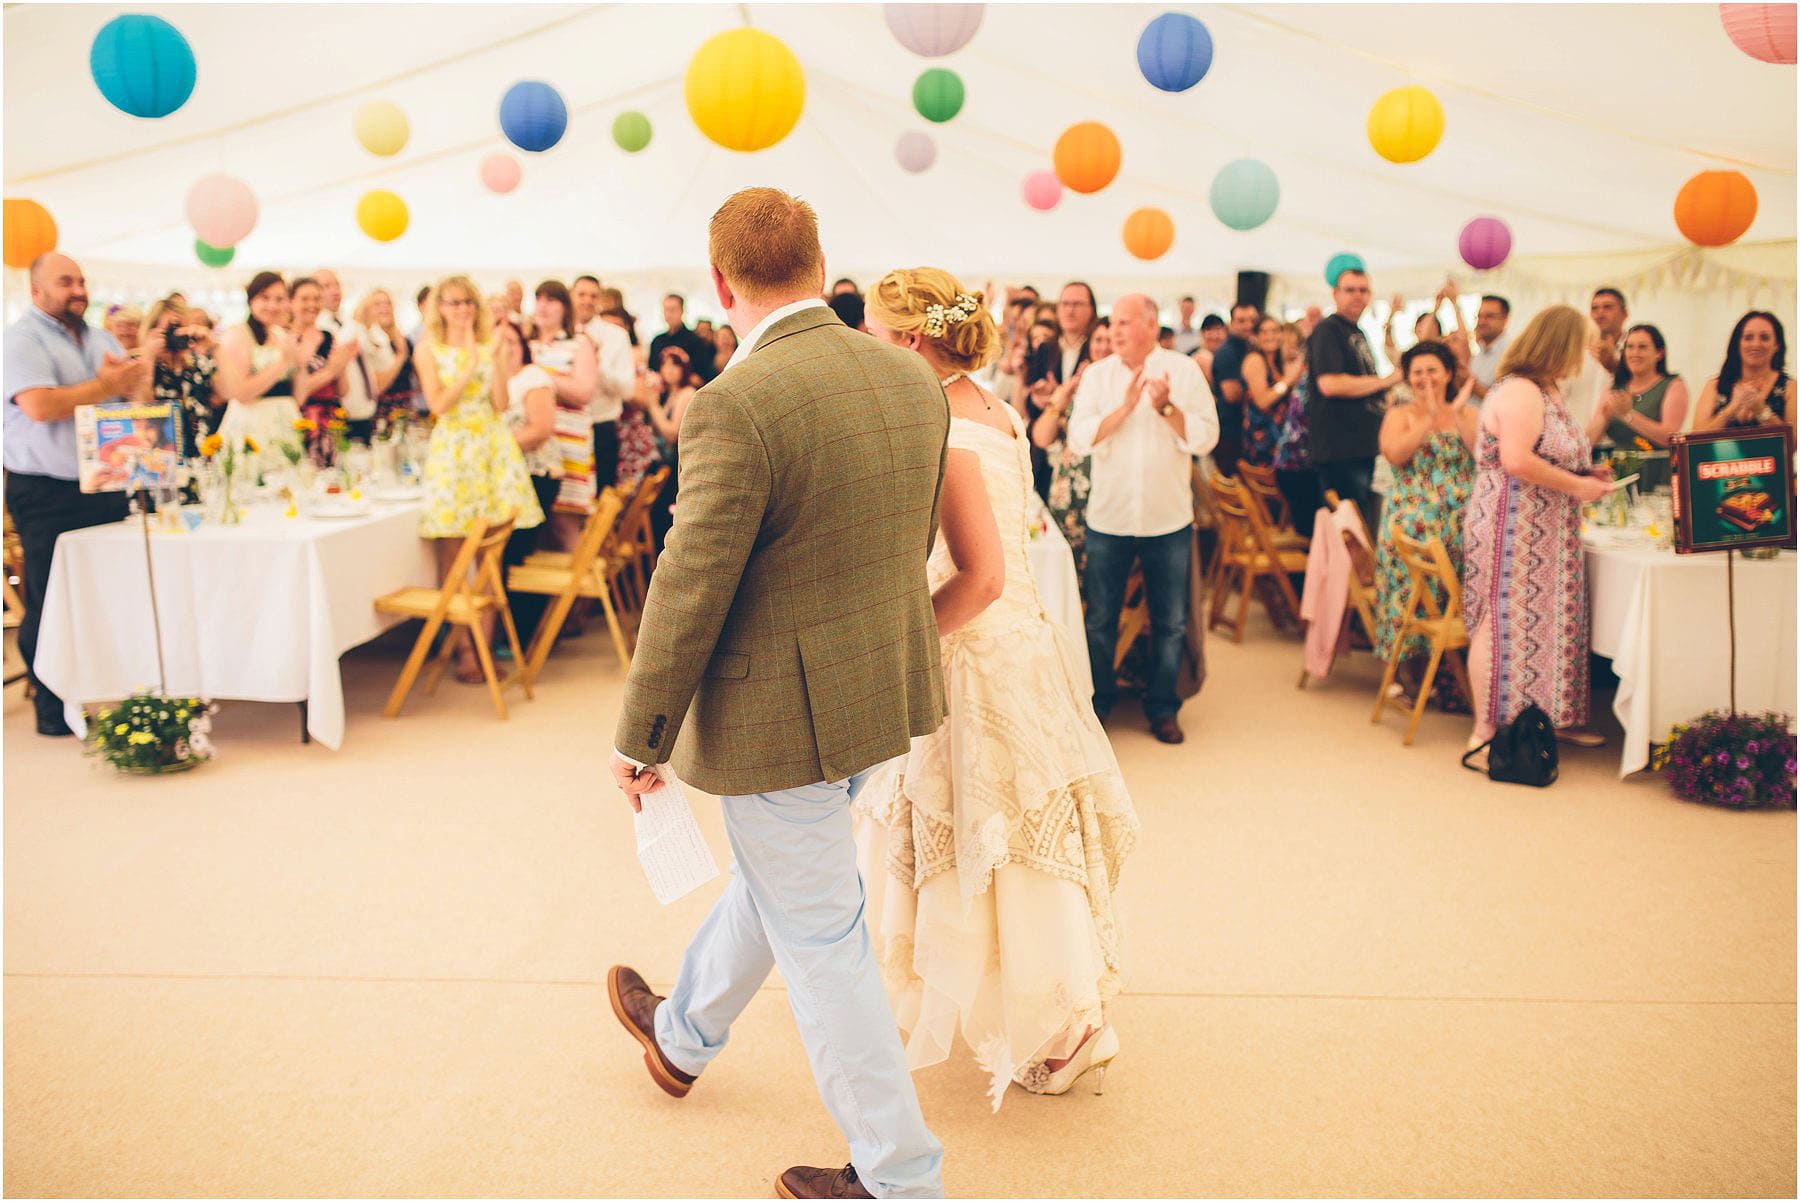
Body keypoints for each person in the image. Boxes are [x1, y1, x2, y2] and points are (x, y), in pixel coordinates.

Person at [605, 187, 947, 1200]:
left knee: (822, 941)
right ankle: (682, 1034)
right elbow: (908, 541)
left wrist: (641, 733)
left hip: (780, 717)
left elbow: (687, 583)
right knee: (788, 887)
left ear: (720, 285)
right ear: (819, 260)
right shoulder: (910, 376)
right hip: (878, 690)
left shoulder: (733, 402)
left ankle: (900, 1177)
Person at [851, 266, 1138, 1110]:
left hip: (977, 656)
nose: (864, 344)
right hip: (1020, 645)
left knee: (1000, 847)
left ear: (908, 341)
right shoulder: (995, 407)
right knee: (1006, 846)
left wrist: (902, 647)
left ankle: (1065, 1027)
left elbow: (976, 578)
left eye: (871, 331)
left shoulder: (946, 425)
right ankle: (1052, 1021)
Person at [4, 253, 150, 736]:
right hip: (46, 490)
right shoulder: (22, 340)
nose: (78, 289)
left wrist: (133, 385)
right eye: (65, 281)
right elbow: (41, 406)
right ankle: (51, 709)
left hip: (105, 484)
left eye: (82, 280)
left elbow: (126, 401)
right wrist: (104, 384)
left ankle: (110, 689)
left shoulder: (99, 338)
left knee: (106, 594)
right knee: (51, 598)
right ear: (37, 290)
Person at [1068, 294, 1219, 744]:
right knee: (1100, 620)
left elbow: (1207, 438)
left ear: (1151, 326)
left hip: (1167, 518)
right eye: (1112, 322)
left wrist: (1166, 410)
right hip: (1109, 517)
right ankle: (1099, 704)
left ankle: (1163, 707)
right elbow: (1078, 438)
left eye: (1124, 322)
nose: (1114, 330)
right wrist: (1124, 409)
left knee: (1170, 620)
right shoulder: (1098, 376)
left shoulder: (1184, 371)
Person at [1463, 305, 1613, 757]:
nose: (1587, 354)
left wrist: (1587, 470)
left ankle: (1539, 720)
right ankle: (1486, 730)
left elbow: (1550, 452)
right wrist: (1578, 486)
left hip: (1545, 527)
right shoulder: (1521, 391)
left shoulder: (1549, 391)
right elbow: (1516, 460)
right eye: (1581, 345)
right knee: (1498, 624)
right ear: (1560, 345)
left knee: (1545, 626)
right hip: (1512, 524)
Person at [412, 275, 544, 683]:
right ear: (440, 307)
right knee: (454, 557)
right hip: (453, 449)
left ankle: (484, 649)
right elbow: (437, 404)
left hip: (491, 447)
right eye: (453, 303)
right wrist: (469, 363)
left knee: (491, 556)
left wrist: (494, 361)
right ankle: (463, 651)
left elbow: (502, 404)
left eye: (467, 302)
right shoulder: (427, 349)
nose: (462, 309)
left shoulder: (492, 346)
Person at [1372, 341, 1478, 708]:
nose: (1424, 378)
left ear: (1448, 373)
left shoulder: (1468, 413)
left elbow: (1484, 456)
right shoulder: (1398, 414)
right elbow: (1396, 454)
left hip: (1460, 526)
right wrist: (1429, 418)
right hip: (1409, 527)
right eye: (1417, 372)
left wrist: (1455, 415)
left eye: (1432, 370)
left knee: (1455, 601)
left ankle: (1452, 679)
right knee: (1409, 601)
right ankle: (1405, 676)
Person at [1307, 268, 1398, 536]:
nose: (1357, 296)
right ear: (1335, 294)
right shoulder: (1328, 329)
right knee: (1349, 533)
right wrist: (1386, 381)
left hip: (1361, 448)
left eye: (1363, 290)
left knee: (1360, 527)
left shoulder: (1357, 331)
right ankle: (1350, 580)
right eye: (1350, 290)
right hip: (1341, 451)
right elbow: (1330, 383)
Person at [1033, 318, 1112, 574]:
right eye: (1099, 340)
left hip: (1107, 493)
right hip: (1068, 495)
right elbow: (1042, 437)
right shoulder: (1078, 387)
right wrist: (1063, 397)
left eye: (1112, 340)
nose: (1105, 346)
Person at [217, 271, 306, 472]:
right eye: (265, 298)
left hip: (286, 420)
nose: (272, 306)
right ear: (251, 300)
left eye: (279, 299)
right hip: (252, 423)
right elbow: (241, 394)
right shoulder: (238, 334)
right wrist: (282, 364)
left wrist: (300, 364)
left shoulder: (282, 335)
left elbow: (298, 397)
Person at [1588, 324, 1689, 490]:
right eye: (1630, 347)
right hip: (1618, 476)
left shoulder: (1673, 385)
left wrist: (1628, 415)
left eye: (1642, 347)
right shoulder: (1615, 387)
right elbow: (1590, 439)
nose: (1634, 353)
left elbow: (1669, 437)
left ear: (1659, 353)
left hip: (1657, 477)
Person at [1022, 282, 1097, 500]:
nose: (1069, 310)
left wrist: (1066, 394)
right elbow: (1029, 401)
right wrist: (1039, 398)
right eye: (1064, 303)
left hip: (1083, 450)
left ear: (1091, 309)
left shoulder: (1097, 346)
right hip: (1048, 447)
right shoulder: (1047, 348)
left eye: (1077, 304)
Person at [570, 275, 636, 489]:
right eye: (581, 295)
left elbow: (627, 390)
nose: (587, 301)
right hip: (566, 427)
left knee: (601, 504)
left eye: (593, 296)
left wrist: (597, 363)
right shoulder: (562, 334)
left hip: (601, 429)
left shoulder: (616, 337)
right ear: (572, 296)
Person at [140, 297, 219, 456]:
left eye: (181, 328)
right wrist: (148, 359)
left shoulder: (199, 364)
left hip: (201, 455)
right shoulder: (140, 365)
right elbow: (141, 412)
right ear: (152, 330)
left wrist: (214, 346)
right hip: (162, 459)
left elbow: (225, 395)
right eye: (170, 329)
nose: (175, 335)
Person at [1692, 312, 1790, 432]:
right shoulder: (1714, 386)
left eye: (1764, 338)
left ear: (1776, 345)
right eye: (1748, 337)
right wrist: (1732, 408)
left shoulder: (1789, 387)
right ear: (1738, 344)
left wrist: (1762, 411)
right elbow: (1693, 440)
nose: (1756, 344)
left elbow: (1793, 442)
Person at [1270, 321, 1322, 538]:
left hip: (1289, 465)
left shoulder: (1306, 379)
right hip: (1295, 467)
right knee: (1312, 533)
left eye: (1295, 344)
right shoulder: (1309, 382)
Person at [313, 268, 372, 439]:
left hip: (365, 410)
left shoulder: (348, 321)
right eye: (326, 286)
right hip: (338, 413)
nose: (335, 291)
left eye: (337, 285)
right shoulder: (319, 329)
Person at [1240, 314, 1304, 469]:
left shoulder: (1278, 362)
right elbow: (1263, 402)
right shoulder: (1255, 360)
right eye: (1264, 332)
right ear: (1255, 336)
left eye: (1275, 331)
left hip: (1281, 440)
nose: (1270, 336)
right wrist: (1287, 380)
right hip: (1263, 441)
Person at [351, 289, 417, 434]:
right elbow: (377, 386)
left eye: (387, 303)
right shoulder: (365, 342)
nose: (384, 308)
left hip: (405, 412)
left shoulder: (405, 341)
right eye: (377, 304)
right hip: (379, 413)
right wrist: (400, 356)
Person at [1207, 302, 1259, 473]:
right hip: (1230, 433)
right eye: (1242, 321)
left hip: (1245, 433)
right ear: (1232, 323)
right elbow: (1232, 395)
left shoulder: (1251, 348)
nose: (1248, 325)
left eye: (1252, 320)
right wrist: (1261, 390)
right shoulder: (1227, 353)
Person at [648, 293, 718, 383]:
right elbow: (652, 371)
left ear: (682, 311)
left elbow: (704, 375)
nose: (669, 314)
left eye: (673, 310)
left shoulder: (695, 341)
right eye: (666, 310)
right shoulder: (657, 341)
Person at [1468, 295, 1512, 402]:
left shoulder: (1511, 354)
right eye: (1479, 316)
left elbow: (1505, 401)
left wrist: (1469, 382)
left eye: (1489, 316)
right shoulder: (1479, 352)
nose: (1482, 321)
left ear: (1505, 319)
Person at [1192, 311, 1227, 387]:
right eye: (1210, 331)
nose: (1214, 336)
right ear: (1202, 334)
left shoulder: (1226, 356)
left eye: (1218, 330)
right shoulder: (1201, 357)